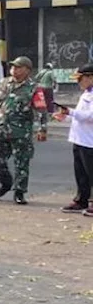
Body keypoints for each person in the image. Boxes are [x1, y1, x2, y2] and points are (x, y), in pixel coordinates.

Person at [0, 56, 48, 205]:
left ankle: (19, 192)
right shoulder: (3, 83)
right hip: (1, 129)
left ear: (27, 70)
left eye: (18, 67)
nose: (13, 70)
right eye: (12, 67)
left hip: (21, 132)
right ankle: (5, 182)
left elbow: (42, 110)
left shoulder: (34, 88)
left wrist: (42, 129)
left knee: (21, 163)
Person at [55, 62, 93, 218]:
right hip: (80, 139)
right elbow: (79, 117)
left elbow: (90, 116)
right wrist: (65, 116)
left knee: (92, 174)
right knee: (81, 173)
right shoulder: (86, 93)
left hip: (90, 141)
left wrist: (69, 111)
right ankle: (81, 199)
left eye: (80, 78)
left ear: (90, 77)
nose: (78, 82)